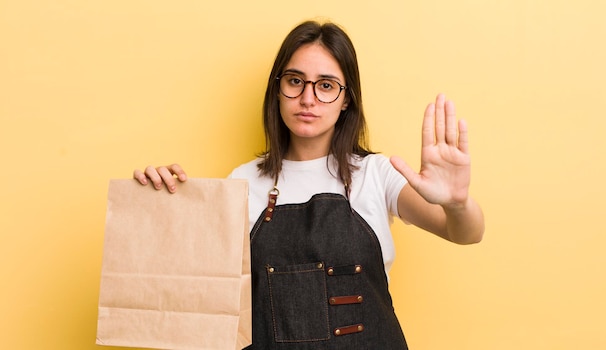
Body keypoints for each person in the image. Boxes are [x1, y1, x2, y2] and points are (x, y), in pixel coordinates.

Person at [134, 20, 484, 349]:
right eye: (295, 81)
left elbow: (465, 233)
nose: (308, 98)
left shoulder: (377, 174)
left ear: (346, 99)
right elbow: (199, 294)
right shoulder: (241, 181)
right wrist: (164, 206)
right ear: (278, 89)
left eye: (326, 85)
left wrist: (455, 203)